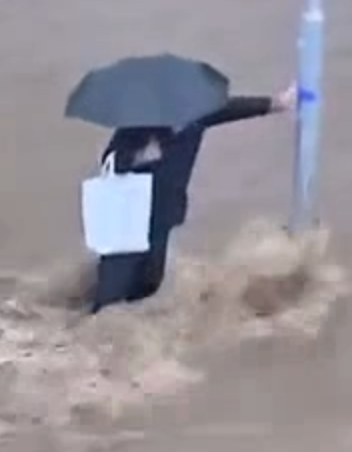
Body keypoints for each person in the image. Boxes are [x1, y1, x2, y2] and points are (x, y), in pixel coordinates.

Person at [91, 84, 295, 312]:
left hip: (162, 213)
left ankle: (119, 325)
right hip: (126, 215)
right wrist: (137, 157)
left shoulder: (197, 114)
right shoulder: (139, 124)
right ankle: (89, 330)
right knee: (112, 294)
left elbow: (232, 108)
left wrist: (278, 103)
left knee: (150, 281)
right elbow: (110, 160)